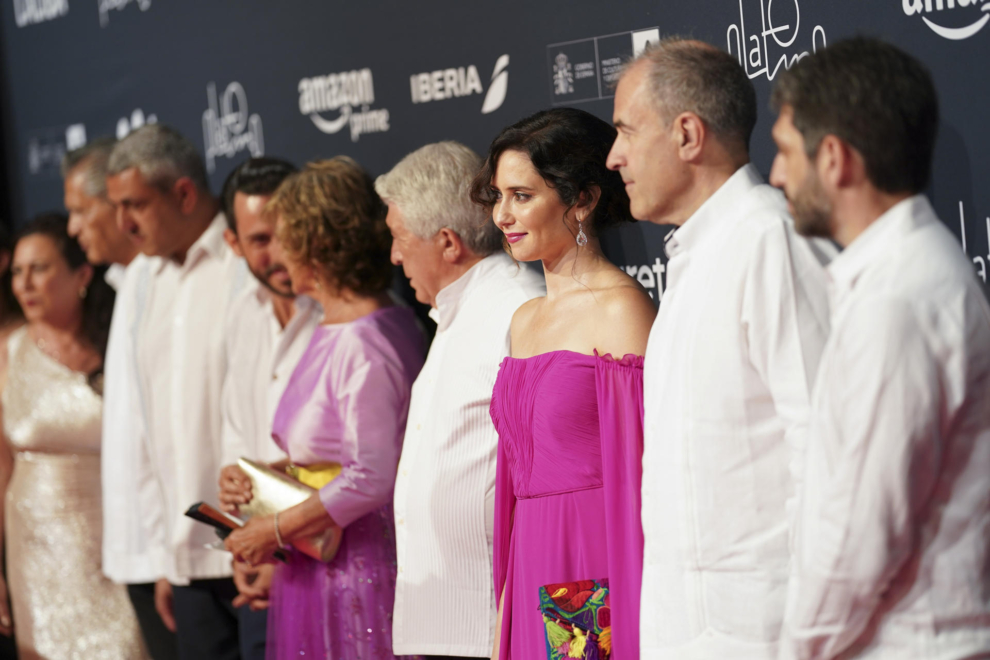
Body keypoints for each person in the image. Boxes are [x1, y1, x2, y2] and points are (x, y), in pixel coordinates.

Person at [606, 37, 833, 659]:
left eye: (626, 130)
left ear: (687, 135)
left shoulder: (769, 241)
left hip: (766, 632)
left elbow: (828, 450)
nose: (613, 156)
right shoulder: (694, 255)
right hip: (689, 630)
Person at [769, 37, 990, 659]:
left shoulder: (897, 300)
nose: (778, 174)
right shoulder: (907, 276)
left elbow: (860, 538)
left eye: (786, 153)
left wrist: (797, 650)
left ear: (835, 159)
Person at [470, 107, 656, 660]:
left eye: (522, 196)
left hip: (593, 558)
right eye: (498, 196)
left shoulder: (622, 310)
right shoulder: (524, 319)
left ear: (582, 199)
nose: (503, 214)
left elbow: (644, 473)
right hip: (528, 554)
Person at [223, 157, 425, 660]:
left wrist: (272, 529)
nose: (277, 252)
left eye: (283, 235)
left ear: (315, 245)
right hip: (321, 567)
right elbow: (330, 456)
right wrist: (261, 482)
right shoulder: (335, 326)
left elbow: (372, 476)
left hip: (359, 577)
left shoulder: (368, 339)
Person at [376, 142, 545, 660]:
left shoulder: (517, 309)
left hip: (493, 624)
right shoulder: (457, 313)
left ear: (448, 243)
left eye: (401, 239)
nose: (394, 256)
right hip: (449, 621)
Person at [106, 124, 248, 660]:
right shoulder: (143, 279)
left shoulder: (245, 258)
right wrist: (169, 556)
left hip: (253, 550)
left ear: (184, 193)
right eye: (116, 206)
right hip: (187, 558)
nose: (124, 223)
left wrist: (264, 533)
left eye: (135, 205)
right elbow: (146, 421)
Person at [0, 213, 148, 659]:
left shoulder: (120, 343)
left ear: (82, 275)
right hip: (35, 554)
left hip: (119, 544)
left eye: (39, 269)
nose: (25, 284)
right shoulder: (6, 352)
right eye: (18, 272)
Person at [62, 138, 177, 659]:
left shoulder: (160, 280)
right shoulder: (124, 283)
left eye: (81, 211)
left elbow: (165, 429)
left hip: (168, 552)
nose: (73, 228)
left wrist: (166, 554)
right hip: (135, 547)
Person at [215, 157, 321, 617]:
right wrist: (246, 535)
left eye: (286, 231)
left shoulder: (348, 316)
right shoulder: (240, 315)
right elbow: (237, 433)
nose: (278, 252)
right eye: (259, 239)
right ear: (233, 244)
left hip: (335, 560)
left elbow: (370, 465)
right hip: (264, 559)